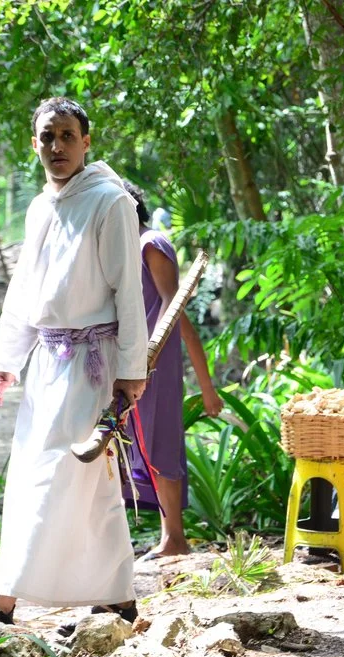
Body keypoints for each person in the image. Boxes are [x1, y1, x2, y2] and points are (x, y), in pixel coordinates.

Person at [0, 97, 147, 633]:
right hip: (48, 365)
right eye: (48, 137)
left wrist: (131, 369)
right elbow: (25, 290)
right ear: (35, 144)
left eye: (67, 136)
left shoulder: (110, 202)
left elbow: (129, 292)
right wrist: (7, 359)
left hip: (93, 363)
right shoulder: (39, 207)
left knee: (59, 476)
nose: (57, 147)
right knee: (58, 478)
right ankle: (117, 597)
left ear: (86, 142)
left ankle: (2, 600)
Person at [120, 180, 223, 558]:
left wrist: (206, 386)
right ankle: (170, 537)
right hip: (131, 360)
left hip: (154, 362)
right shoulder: (125, 249)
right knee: (140, 444)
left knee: (160, 442)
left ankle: (175, 538)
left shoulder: (151, 244)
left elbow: (175, 310)